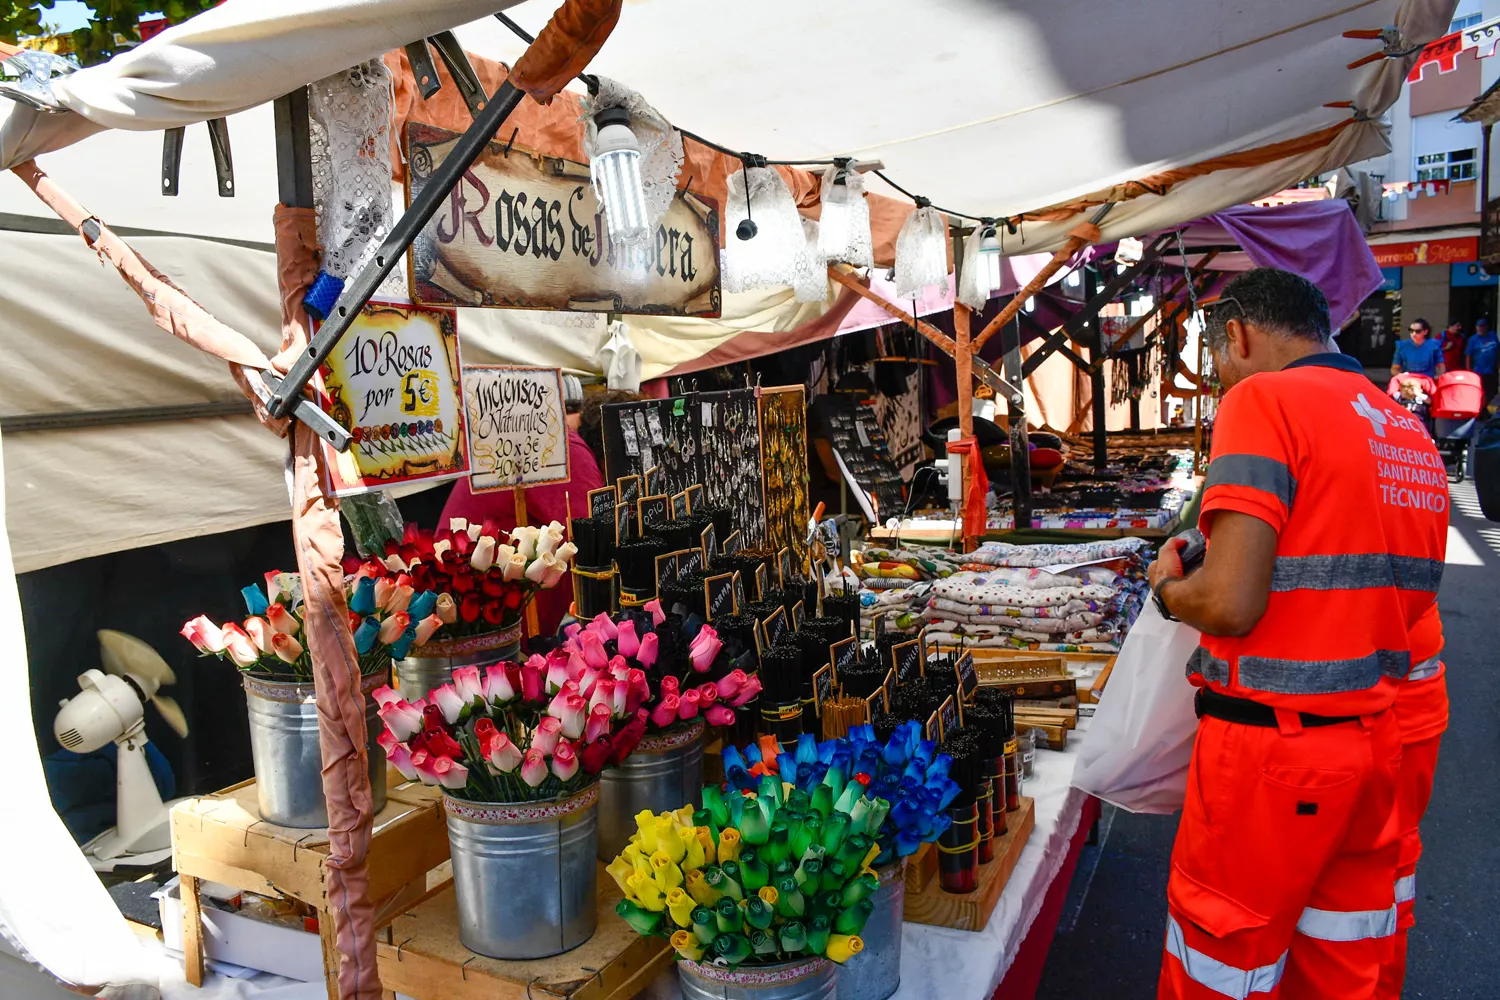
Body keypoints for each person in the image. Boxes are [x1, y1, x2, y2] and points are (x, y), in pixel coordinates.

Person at [1147, 268, 1446, 999]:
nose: (1221, 380)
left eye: (1219, 360)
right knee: (1341, 956)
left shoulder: (1263, 400)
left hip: (1270, 755)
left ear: (1240, 335)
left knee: (1221, 962)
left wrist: (1168, 587)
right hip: (1375, 739)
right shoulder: (1404, 429)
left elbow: (1230, 605)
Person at [440, 374, 603, 637]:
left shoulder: (552, 441)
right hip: (492, 618)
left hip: (478, 608)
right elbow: (593, 538)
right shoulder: (567, 448)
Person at [1376, 603, 1447, 999]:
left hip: (1323, 709)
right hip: (1413, 695)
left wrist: (1170, 592)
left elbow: (1232, 606)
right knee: (1387, 873)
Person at [1464, 316, 1498, 410]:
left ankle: (1485, 408)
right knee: (1480, 392)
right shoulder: (1473, 339)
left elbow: (1497, 351)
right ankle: (1480, 410)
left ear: (1486, 327)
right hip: (1478, 370)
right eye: (1478, 326)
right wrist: (1468, 371)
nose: (1480, 328)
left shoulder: (1493, 336)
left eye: (1482, 326)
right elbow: (1468, 356)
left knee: (1492, 391)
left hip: (1492, 370)